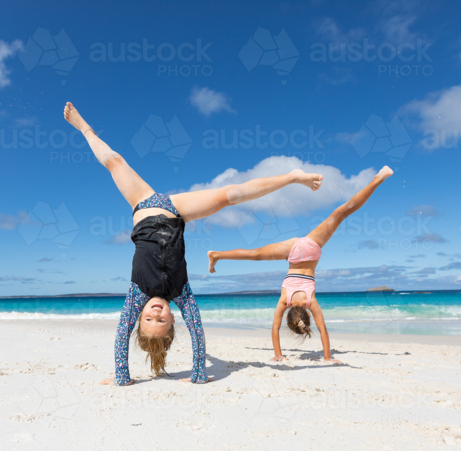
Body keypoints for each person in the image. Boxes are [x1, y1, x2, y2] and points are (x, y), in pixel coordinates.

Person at [63, 102, 324, 385]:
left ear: (138, 318)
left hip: (143, 204)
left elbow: (120, 337)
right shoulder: (182, 293)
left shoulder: (136, 293)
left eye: (148, 320)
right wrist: (198, 374)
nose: (155, 314)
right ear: (173, 320)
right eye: (161, 321)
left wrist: (122, 377)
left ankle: (84, 128)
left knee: (114, 161)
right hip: (176, 212)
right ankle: (291, 177)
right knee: (228, 195)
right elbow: (197, 332)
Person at [207, 166, 393, 364]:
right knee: (256, 255)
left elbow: (322, 329)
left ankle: (378, 179)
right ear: (289, 316)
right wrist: (278, 354)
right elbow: (275, 329)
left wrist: (328, 357)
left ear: (307, 315)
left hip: (312, 247)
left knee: (342, 212)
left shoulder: (310, 302)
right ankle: (217, 254)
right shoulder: (284, 301)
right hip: (293, 251)